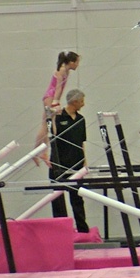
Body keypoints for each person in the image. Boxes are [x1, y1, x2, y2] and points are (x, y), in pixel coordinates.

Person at [49, 89, 89, 233]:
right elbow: (51, 136)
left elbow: (82, 142)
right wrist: (52, 117)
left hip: (77, 163)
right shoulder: (59, 117)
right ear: (74, 101)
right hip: (59, 163)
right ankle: (61, 230)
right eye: (82, 101)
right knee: (58, 199)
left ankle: (83, 230)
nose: (83, 104)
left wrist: (85, 162)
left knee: (78, 198)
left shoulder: (81, 119)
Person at [35, 52, 80, 165]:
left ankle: (42, 151)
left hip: (52, 97)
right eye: (77, 62)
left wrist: (57, 101)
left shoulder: (67, 70)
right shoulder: (62, 70)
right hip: (50, 97)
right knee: (46, 125)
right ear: (71, 62)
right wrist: (55, 102)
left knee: (50, 125)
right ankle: (37, 151)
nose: (78, 65)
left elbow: (61, 89)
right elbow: (58, 88)